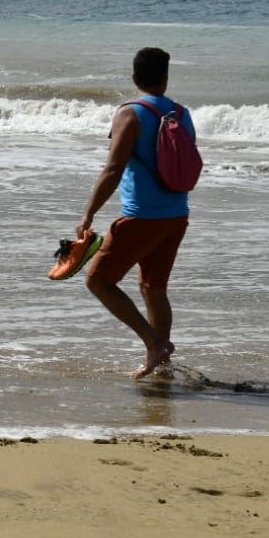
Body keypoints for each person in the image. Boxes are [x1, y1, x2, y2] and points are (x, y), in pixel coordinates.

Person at [75, 47, 194, 378]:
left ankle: (154, 344)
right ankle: (162, 363)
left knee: (98, 280)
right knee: (153, 287)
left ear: (134, 78)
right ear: (166, 78)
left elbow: (113, 168)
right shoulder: (182, 113)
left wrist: (88, 214)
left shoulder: (129, 113)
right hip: (176, 214)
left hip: (141, 216)